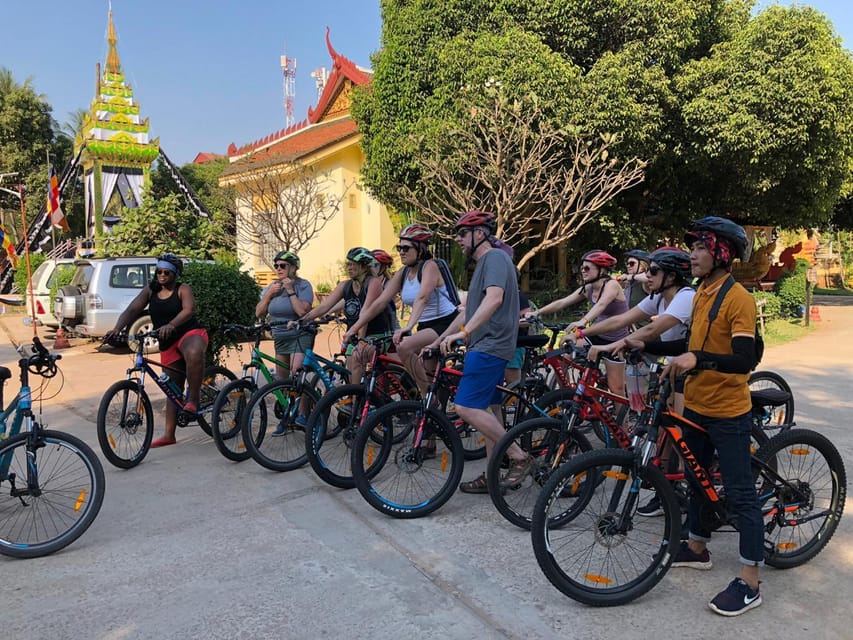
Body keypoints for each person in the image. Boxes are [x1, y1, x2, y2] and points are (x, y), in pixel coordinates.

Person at [645, 216, 764, 616]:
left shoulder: (739, 299)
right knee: (697, 478)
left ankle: (750, 580)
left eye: (699, 247)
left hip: (728, 411)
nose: (691, 254)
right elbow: (687, 342)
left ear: (721, 253)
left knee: (741, 494)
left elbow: (744, 358)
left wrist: (699, 358)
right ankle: (697, 547)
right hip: (696, 404)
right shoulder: (701, 294)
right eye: (693, 246)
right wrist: (645, 348)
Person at [427, 210, 530, 494]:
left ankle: (519, 456)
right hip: (484, 344)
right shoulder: (483, 266)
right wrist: (441, 339)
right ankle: (491, 476)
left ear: (480, 234)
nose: (458, 239)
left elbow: (494, 299)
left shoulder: (495, 258)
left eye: (462, 233)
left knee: (466, 407)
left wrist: (465, 334)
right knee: (491, 413)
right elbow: (468, 312)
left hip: (489, 345)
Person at [105, 254, 207, 448]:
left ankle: (193, 400)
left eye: (166, 272)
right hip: (166, 340)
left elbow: (188, 310)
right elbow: (132, 309)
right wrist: (117, 329)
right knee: (170, 387)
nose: (161, 275)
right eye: (158, 271)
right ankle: (169, 434)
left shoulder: (182, 289)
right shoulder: (150, 291)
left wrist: (171, 324)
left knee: (193, 353)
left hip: (189, 333)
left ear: (175, 274)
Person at [343, 225, 457, 395]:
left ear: (421, 249)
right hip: (425, 325)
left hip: (446, 322)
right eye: (399, 247)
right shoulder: (403, 272)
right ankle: (433, 407)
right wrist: (354, 328)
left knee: (404, 347)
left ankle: (427, 399)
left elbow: (423, 297)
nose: (401, 252)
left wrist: (408, 327)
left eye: (406, 248)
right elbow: (379, 302)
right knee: (427, 373)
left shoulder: (430, 266)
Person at [529, 250, 629, 395]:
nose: (583, 270)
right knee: (563, 356)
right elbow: (564, 301)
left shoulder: (612, 285)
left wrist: (583, 321)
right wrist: (537, 312)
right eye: (582, 267)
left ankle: (622, 419)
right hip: (596, 334)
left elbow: (601, 305)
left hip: (615, 340)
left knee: (616, 389)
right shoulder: (588, 288)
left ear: (601, 270)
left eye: (587, 268)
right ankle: (566, 396)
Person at [299, 247, 390, 382]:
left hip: (376, 336)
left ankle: (356, 400)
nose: (349, 267)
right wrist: (302, 320)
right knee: (351, 371)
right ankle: (356, 398)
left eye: (353, 264)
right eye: (348, 264)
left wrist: (361, 340)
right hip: (354, 335)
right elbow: (324, 306)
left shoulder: (373, 283)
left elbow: (366, 312)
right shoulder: (345, 285)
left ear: (364, 267)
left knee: (357, 359)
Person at [254, 250, 314, 433]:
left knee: (297, 373)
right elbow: (259, 313)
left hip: (299, 335)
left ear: (294, 268)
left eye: (283, 266)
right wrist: (267, 296)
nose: (278, 269)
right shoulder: (271, 287)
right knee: (283, 381)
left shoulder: (303, 285)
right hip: (280, 337)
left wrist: (289, 291)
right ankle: (289, 415)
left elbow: (303, 311)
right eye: (277, 265)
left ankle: (304, 414)